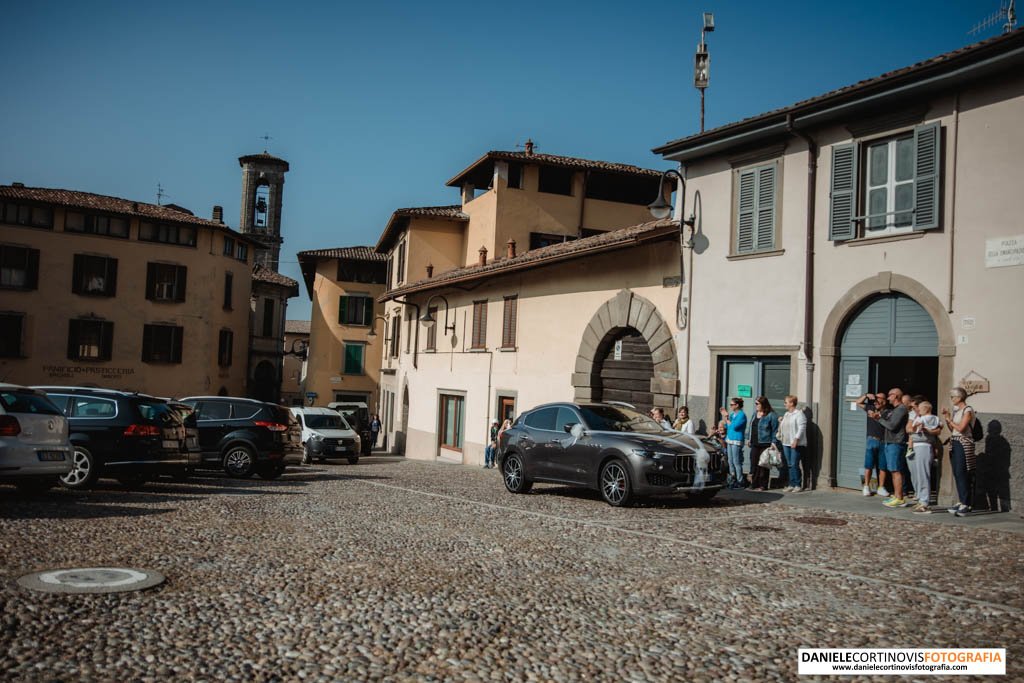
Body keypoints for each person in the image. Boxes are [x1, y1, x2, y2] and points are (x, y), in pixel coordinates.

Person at [870, 388, 910, 508]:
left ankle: (899, 498)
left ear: (896, 396)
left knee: (895, 470)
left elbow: (892, 425)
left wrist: (878, 419)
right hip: (890, 442)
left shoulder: (901, 409)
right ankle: (897, 495)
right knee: (893, 470)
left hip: (896, 442)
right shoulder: (896, 410)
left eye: (889, 395)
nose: (888, 398)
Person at [941, 387, 976, 517]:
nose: (951, 399)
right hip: (955, 441)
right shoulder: (957, 411)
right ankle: (961, 500)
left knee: (962, 471)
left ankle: (966, 503)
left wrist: (950, 420)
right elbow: (953, 430)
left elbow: (961, 428)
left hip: (964, 442)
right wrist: (947, 417)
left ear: (959, 397)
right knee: (957, 472)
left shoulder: (968, 410)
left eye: (953, 397)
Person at [907, 399, 941, 514]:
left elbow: (912, 428)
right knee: (920, 473)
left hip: (923, 445)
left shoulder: (925, 418)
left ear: (925, 409)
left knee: (923, 474)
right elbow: (939, 427)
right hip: (919, 445)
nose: (917, 410)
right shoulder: (933, 418)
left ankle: (924, 501)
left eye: (919, 408)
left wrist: (919, 427)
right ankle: (922, 499)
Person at [858, 392, 889, 497]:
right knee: (868, 465)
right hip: (871, 440)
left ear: (884, 401)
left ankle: (881, 487)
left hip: (883, 441)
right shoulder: (870, 407)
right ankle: (866, 487)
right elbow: (858, 402)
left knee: (882, 466)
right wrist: (866, 395)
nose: (876, 401)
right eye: (875, 399)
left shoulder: (888, 412)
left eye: (878, 399)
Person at [748, 396, 780, 491]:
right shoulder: (755, 414)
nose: (756, 406)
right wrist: (749, 439)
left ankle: (763, 485)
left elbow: (775, 430)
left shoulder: (771, 415)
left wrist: (774, 442)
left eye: (757, 404)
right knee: (754, 464)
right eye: (755, 403)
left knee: (763, 465)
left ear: (763, 404)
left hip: (765, 443)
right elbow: (751, 427)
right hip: (755, 443)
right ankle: (754, 483)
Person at [778, 395, 807, 492]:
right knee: (789, 464)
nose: (784, 404)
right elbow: (783, 427)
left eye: (786, 402)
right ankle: (791, 483)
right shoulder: (786, 414)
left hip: (796, 443)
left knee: (794, 463)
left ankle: (798, 484)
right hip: (786, 442)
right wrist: (781, 422)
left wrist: (796, 439)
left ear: (792, 403)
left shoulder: (799, 414)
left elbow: (801, 428)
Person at [719, 398, 748, 489]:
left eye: (732, 405)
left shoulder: (741, 415)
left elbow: (735, 426)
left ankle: (740, 481)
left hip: (736, 439)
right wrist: (726, 418)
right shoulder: (732, 415)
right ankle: (732, 479)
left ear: (737, 405)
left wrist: (727, 418)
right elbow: (728, 426)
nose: (730, 406)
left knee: (736, 461)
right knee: (730, 461)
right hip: (730, 439)